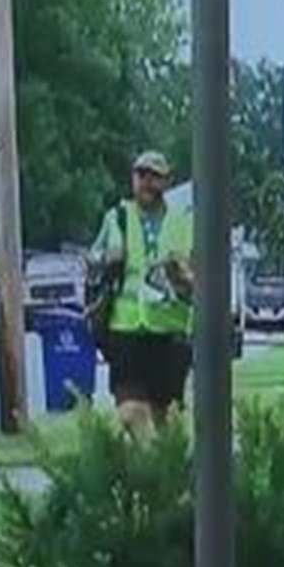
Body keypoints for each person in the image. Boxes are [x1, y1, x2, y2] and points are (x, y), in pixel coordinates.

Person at [89, 150, 195, 429]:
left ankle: (161, 470)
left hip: (169, 333)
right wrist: (107, 259)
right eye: (141, 175)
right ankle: (139, 468)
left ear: (167, 182)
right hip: (126, 331)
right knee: (131, 412)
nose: (147, 183)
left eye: (155, 177)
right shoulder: (117, 217)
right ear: (132, 179)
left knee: (166, 419)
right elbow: (91, 262)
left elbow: (201, 283)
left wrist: (182, 276)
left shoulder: (184, 223)